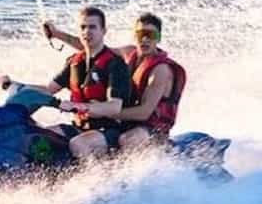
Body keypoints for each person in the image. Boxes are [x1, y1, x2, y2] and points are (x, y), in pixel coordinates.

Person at [0, 6, 131, 158]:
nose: (87, 31)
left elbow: (114, 107)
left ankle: (95, 179)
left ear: (103, 31)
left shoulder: (115, 64)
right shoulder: (74, 62)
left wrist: (78, 106)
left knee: (78, 144)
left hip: (109, 130)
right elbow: (48, 89)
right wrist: (13, 84)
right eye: (83, 27)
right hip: (79, 127)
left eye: (93, 27)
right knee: (37, 137)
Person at [44, 12, 186, 150]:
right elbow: (93, 47)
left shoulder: (160, 70)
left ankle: (131, 173)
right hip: (126, 122)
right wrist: (57, 34)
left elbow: (144, 113)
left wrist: (102, 110)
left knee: (128, 140)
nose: (145, 40)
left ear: (159, 38)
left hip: (151, 128)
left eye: (151, 35)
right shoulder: (129, 52)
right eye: (140, 35)